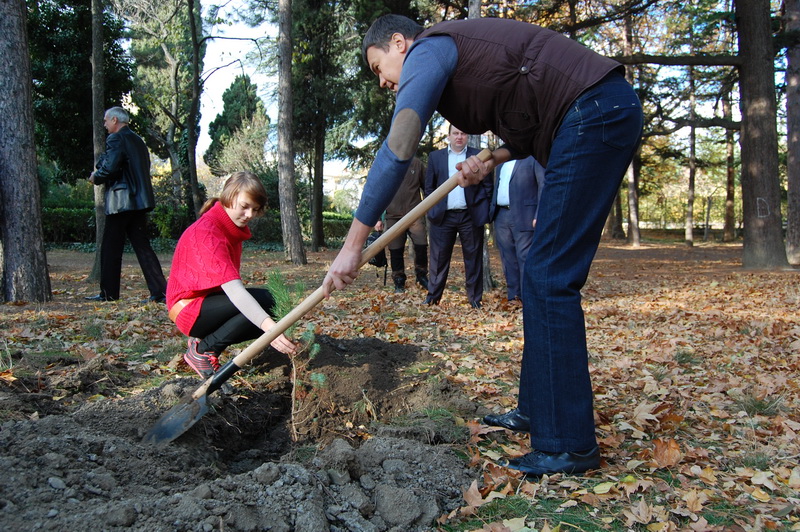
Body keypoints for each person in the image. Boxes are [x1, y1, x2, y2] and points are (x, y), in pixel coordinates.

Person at [322, 15, 643, 476]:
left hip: (594, 114)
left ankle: (568, 445)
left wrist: (355, 243)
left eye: (379, 68)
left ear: (400, 43)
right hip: (586, 117)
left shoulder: (430, 48)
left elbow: (399, 146)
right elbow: (530, 121)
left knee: (550, 276)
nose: (383, 82)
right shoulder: (457, 59)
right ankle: (540, 412)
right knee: (540, 276)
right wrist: (492, 157)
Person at [166, 172, 297, 379]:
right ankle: (204, 350)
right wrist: (272, 330)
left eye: (255, 209)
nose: (250, 215)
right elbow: (235, 292)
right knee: (266, 302)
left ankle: (204, 345)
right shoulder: (208, 232)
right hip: (188, 308)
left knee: (273, 303)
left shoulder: (228, 230)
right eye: (244, 206)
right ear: (229, 196)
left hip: (205, 303)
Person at [86, 106, 168, 303]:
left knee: (110, 248)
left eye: (106, 120)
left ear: (115, 120)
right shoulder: (137, 140)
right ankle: (160, 292)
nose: (105, 124)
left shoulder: (116, 138)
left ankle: (109, 294)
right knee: (143, 247)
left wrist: (95, 177)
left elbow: (109, 168)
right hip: (139, 202)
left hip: (121, 201)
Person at [424, 124, 492, 308]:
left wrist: (483, 211)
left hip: (470, 216)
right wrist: (433, 210)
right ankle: (433, 297)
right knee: (438, 259)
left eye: (463, 133)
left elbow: (487, 186)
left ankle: (475, 300)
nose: (459, 137)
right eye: (455, 133)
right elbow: (429, 187)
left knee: (473, 259)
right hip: (442, 217)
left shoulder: (478, 156)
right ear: (449, 136)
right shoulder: (435, 157)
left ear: (467, 136)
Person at [489, 156, 545, 302]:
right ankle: (513, 298)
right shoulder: (501, 161)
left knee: (524, 258)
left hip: (525, 215)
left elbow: (543, 185)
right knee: (508, 259)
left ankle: (529, 299)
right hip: (501, 215)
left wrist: (539, 214)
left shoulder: (533, 158)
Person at [374, 157, 429, 293]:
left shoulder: (417, 164)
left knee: (421, 244)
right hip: (393, 215)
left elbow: (427, 187)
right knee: (395, 249)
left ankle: (421, 275)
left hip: (415, 213)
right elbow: (378, 193)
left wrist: (429, 208)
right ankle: (399, 280)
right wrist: (377, 218)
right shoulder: (387, 163)